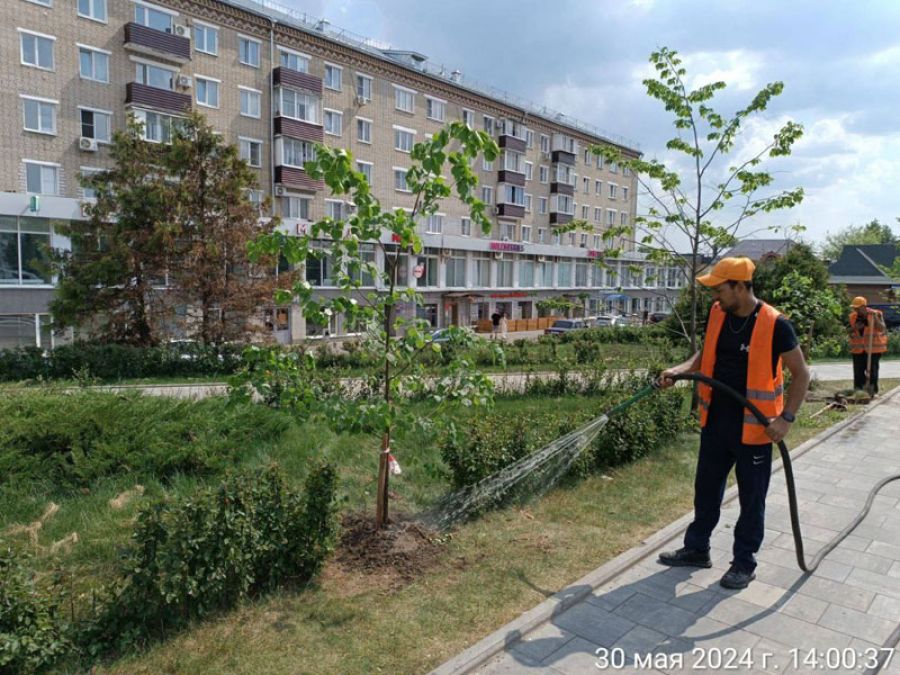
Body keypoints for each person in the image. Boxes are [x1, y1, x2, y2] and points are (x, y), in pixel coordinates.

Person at [656, 257, 810, 589]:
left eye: (720, 288)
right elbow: (703, 358)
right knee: (706, 491)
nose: (715, 295)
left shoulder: (775, 324)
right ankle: (697, 548)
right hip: (716, 423)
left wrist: (786, 420)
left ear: (740, 287)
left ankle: (744, 563)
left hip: (754, 430)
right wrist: (679, 371)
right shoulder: (718, 313)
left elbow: (802, 374)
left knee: (751, 500)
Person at [848, 296, 887, 394]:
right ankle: (859, 391)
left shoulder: (876, 314)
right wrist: (855, 328)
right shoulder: (853, 316)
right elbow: (849, 331)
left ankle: (872, 391)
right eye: (854, 308)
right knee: (858, 372)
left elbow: (882, 328)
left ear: (864, 306)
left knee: (873, 372)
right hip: (858, 349)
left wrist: (874, 318)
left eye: (857, 308)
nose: (855, 310)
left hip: (873, 349)